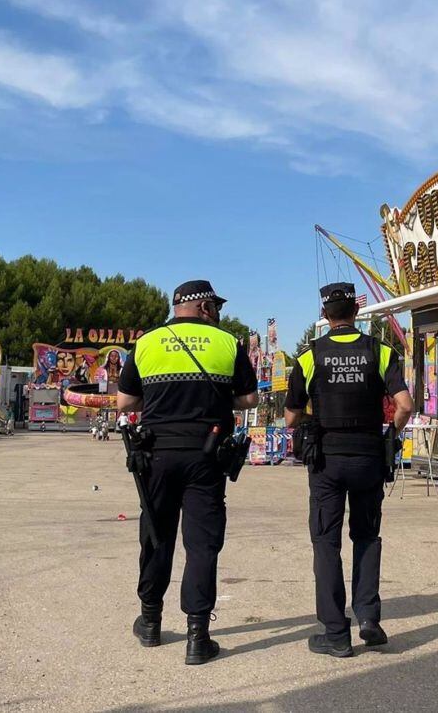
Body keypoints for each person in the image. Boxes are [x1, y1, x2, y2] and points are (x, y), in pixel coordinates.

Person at [117, 280, 258, 665]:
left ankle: (149, 622)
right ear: (204, 307)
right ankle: (198, 635)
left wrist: (161, 397)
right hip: (206, 453)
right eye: (216, 306)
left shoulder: (145, 343)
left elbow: (125, 400)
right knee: (202, 543)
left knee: (156, 535)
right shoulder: (228, 343)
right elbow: (249, 399)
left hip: (157, 453)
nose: (219, 313)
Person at [285, 282, 412, 658]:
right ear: (356, 311)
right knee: (367, 536)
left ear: (325, 315)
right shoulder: (380, 351)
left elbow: (291, 416)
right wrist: (391, 433)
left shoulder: (310, 355)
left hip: (326, 460)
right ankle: (369, 620)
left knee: (326, 541)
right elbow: (404, 404)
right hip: (369, 456)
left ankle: (335, 633)